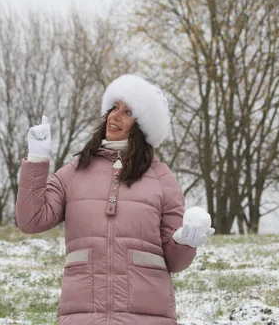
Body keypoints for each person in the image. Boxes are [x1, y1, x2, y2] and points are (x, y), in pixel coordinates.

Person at [16, 74, 215, 325]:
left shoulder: (162, 178)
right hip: (82, 317)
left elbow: (174, 262)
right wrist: (36, 159)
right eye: (114, 107)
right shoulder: (76, 171)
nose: (115, 116)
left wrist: (185, 242)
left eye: (128, 111)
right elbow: (31, 220)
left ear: (143, 125)